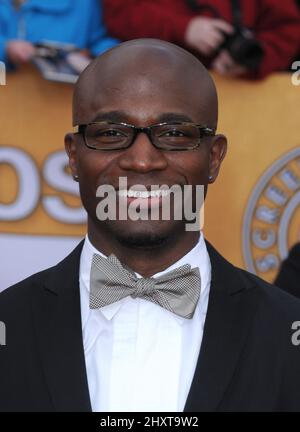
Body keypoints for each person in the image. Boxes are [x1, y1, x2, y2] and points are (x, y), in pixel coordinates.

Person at [1, 39, 300, 412]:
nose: (142, 161)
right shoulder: (8, 325)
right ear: (74, 157)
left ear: (214, 157)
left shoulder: (287, 332)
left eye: (174, 134)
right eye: (111, 133)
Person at [103, 0, 300, 79]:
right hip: (152, 88)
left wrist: (253, 60)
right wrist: (185, 29)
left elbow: (288, 29)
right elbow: (118, 14)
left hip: (237, 97)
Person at [0, 0, 118, 70]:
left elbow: (98, 39)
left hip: (59, 102)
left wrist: (111, 55)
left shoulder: (84, 3)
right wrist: (5, 48)